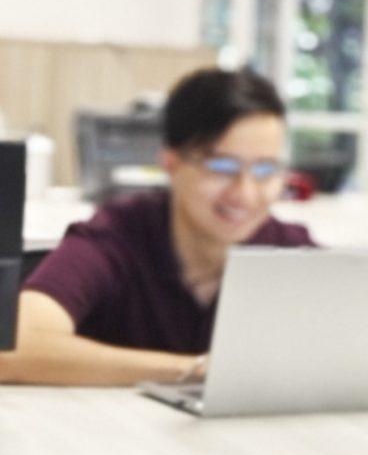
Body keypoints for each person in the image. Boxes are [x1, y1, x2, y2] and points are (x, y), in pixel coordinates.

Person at [0, 66, 313, 387]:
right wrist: (197, 371)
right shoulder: (116, 236)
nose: (245, 194)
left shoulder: (288, 250)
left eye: (265, 170)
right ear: (171, 162)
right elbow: (13, 349)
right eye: (222, 166)